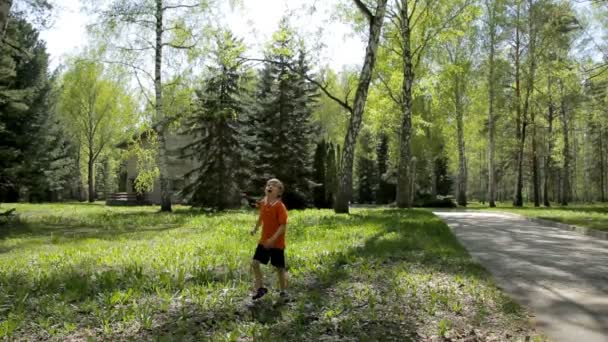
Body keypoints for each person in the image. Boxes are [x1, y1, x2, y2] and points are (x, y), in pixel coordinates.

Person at [250, 178, 289, 300]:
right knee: (255, 263)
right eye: (268, 184)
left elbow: (283, 226)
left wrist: (273, 239)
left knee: (280, 268)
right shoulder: (263, 202)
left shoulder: (280, 206)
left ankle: (283, 292)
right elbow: (261, 217)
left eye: (274, 185)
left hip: (277, 243)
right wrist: (255, 228)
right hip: (264, 241)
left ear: (279, 192)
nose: (270, 186)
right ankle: (260, 288)